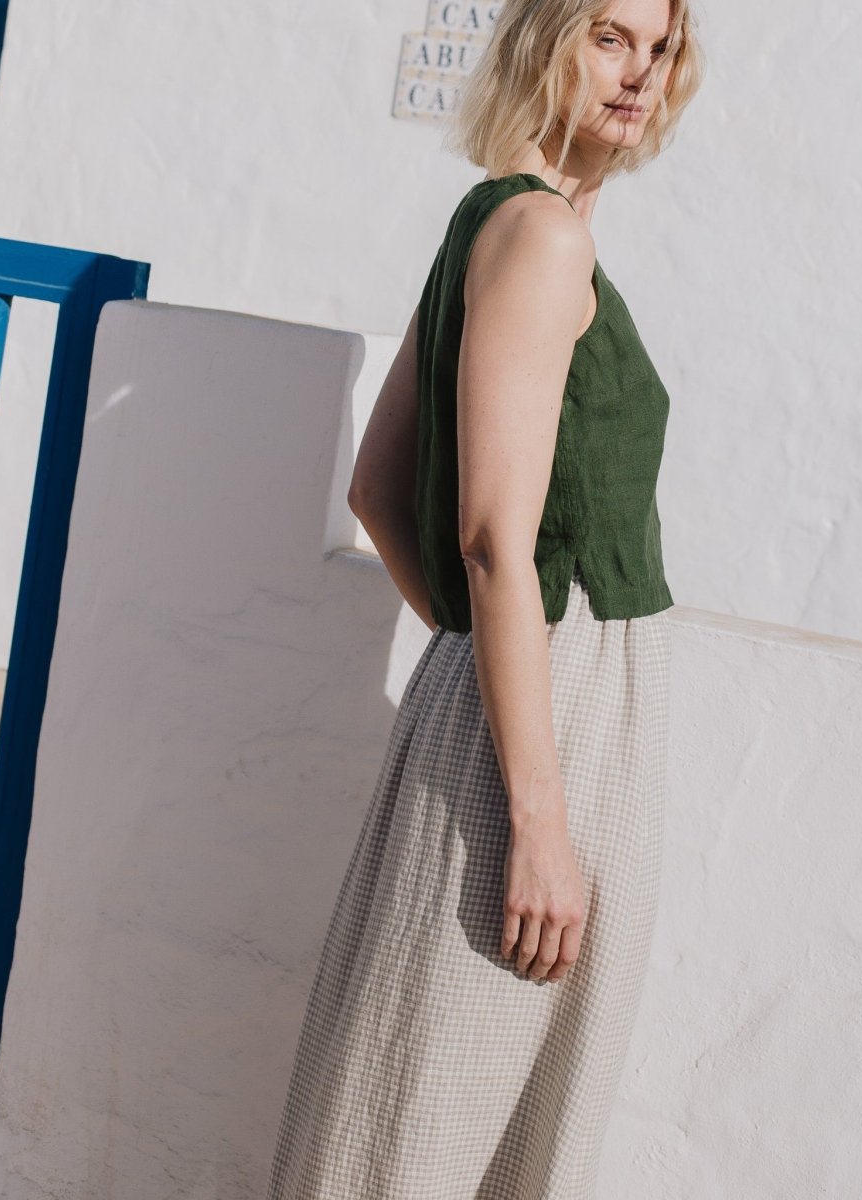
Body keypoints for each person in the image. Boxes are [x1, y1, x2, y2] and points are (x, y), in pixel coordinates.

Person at [266, 0, 704, 1195]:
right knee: (439, 1115)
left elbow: (375, 486)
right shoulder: (543, 238)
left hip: (512, 702)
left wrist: (468, 667)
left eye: (660, 46)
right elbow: (494, 542)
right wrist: (539, 817)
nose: (640, 72)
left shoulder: (492, 222)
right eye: (609, 37)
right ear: (544, 41)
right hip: (553, 731)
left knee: (426, 1100)